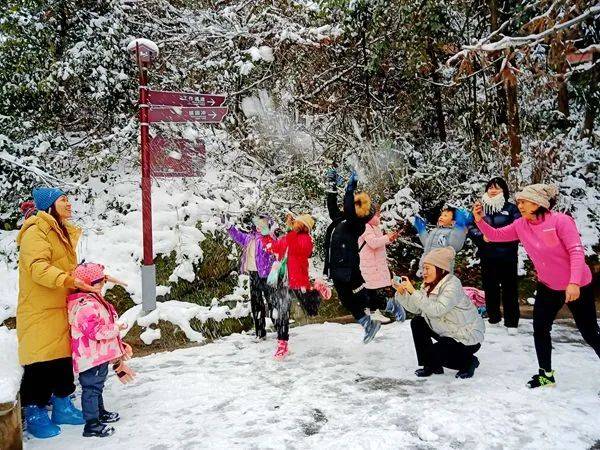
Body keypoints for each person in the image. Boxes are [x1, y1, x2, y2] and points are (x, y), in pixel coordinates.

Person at [473, 183, 599, 388]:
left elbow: (576, 252)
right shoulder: (521, 225)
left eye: (523, 201)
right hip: (548, 286)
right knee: (540, 329)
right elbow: (496, 236)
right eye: (518, 202)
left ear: (538, 202)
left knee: (590, 333)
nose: (519, 205)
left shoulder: (561, 221)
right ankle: (546, 375)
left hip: (577, 286)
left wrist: (574, 283)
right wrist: (479, 221)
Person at [16, 187, 98, 439]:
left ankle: (62, 404)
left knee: (63, 357)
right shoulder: (36, 231)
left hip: (61, 303)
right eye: (64, 200)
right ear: (49, 205)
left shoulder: (59, 230)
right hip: (40, 308)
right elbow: (38, 268)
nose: (69, 205)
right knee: (40, 361)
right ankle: (34, 410)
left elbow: (62, 264)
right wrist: (67, 280)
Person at [394, 247, 485, 379]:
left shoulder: (452, 284)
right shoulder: (427, 285)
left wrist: (413, 292)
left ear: (440, 269)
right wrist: (402, 293)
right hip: (446, 333)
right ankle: (430, 365)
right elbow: (418, 309)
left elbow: (437, 310)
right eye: (423, 268)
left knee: (436, 354)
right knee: (418, 322)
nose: (423, 272)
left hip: (465, 338)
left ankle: (469, 362)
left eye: (427, 268)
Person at [67, 263, 136, 437]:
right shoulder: (85, 305)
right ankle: (91, 424)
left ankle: (99, 413)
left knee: (97, 386)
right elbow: (95, 332)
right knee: (91, 389)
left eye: (102, 281)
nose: (102, 285)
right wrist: (117, 327)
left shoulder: (94, 299)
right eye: (98, 282)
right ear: (86, 284)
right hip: (90, 357)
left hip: (98, 355)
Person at [323, 169, 383, 343]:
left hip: (349, 268)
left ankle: (387, 306)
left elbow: (349, 208)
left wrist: (350, 188)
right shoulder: (340, 219)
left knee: (362, 296)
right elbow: (332, 206)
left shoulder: (357, 224)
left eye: (356, 204)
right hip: (336, 268)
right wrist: (331, 186)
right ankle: (368, 324)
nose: (350, 206)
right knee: (346, 299)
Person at [468, 177, 521, 332]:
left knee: (510, 289)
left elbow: (518, 228)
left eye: (496, 188)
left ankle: (511, 322)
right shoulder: (480, 208)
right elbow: (471, 226)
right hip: (487, 255)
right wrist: (481, 236)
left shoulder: (511, 209)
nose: (492, 190)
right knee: (490, 288)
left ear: (503, 190)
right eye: (490, 187)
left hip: (508, 255)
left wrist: (499, 236)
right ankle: (493, 318)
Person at [263, 213, 316, 359]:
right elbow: (273, 248)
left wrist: (288, 231)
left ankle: (317, 291)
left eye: (298, 222)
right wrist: (265, 235)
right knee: (282, 311)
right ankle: (282, 343)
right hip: (283, 280)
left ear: (304, 226)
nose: (294, 223)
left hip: (298, 279)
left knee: (311, 309)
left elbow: (304, 251)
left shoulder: (306, 239)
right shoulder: (288, 237)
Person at [224, 214, 276, 340]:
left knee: (272, 302)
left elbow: (275, 248)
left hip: (267, 276)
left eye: (263, 224)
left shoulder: (268, 238)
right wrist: (230, 227)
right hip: (254, 275)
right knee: (256, 304)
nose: (259, 227)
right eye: (258, 224)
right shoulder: (250, 238)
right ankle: (260, 332)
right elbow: (238, 236)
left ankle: (280, 328)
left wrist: (271, 233)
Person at [358, 206, 406, 323]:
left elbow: (379, 242)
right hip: (369, 263)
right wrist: (386, 237)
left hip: (375, 263)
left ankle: (373, 311)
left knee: (374, 286)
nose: (379, 216)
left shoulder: (374, 227)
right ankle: (373, 312)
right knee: (371, 287)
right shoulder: (365, 227)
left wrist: (390, 239)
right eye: (377, 214)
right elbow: (373, 243)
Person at [412, 206, 470, 274]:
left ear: (453, 222)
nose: (441, 217)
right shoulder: (435, 231)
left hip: (440, 269)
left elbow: (455, 246)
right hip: (425, 267)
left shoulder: (451, 232)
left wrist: (459, 228)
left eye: (445, 216)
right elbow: (427, 244)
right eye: (441, 215)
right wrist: (421, 230)